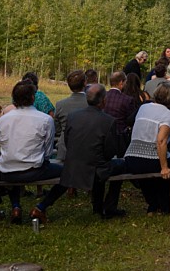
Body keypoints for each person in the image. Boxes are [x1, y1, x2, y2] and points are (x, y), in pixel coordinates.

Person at [32, 84, 126, 222]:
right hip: (97, 166)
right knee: (121, 165)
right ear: (103, 101)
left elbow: (68, 139)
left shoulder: (73, 116)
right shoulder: (108, 121)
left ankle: (42, 206)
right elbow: (110, 150)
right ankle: (108, 207)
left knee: (69, 177)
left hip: (74, 163)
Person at [0, 81, 59, 224]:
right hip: (33, 169)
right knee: (69, 173)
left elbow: (2, 144)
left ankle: (16, 207)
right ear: (32, 98)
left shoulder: (3, 119)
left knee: (13, 164)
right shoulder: (45, 119)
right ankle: (41, 207)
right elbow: (48, 151)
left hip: (6, 169)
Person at [124, 82, 170, 215]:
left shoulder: (143, 107)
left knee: (146, 175)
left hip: (131, 157)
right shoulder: (168, 114)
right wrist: (164, 167)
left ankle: (152, 205)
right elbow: (161, 140)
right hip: (151, 159)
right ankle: (164, 205)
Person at [54, 70, 88, 162]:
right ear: (85, 83)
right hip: (87, 149)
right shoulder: (92, 103)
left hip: (65, 149)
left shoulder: (60, 104)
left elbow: (57, 129)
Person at [104, 71, 137, 155]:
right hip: (120, 137)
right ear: (121, 82)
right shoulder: (127, 99)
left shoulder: (103, 96)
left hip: (103, 135)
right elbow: (131, 119)